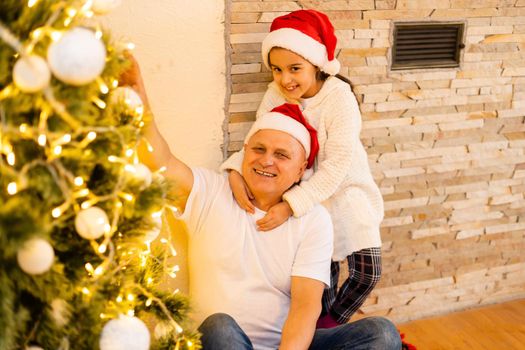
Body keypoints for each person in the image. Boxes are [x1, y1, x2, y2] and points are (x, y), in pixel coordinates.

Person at [122, 57, 400, 349]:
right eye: (258, 149)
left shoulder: (313, 219)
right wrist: (139, 106)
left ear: (302, 167)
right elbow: (160, 163)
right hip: (219, 342)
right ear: (245, 152)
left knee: (380, 334)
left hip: (285, 345)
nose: (266, 160)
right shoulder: (211, 191)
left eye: (282, 155)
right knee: (222, 327)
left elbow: (306, 307)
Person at [221, 9, 384, 328]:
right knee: (323, 279)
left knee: (368, 272)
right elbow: (258, 138)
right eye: (277, 69)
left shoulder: (339, 96)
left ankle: (328, 326)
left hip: (344, 191)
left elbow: (337, 164)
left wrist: (289, 206)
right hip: (307, 198)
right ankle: (318, 334)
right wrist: (234, 172)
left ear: (317, 64)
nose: (285, 79)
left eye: (295, 68)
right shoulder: (275, 94)